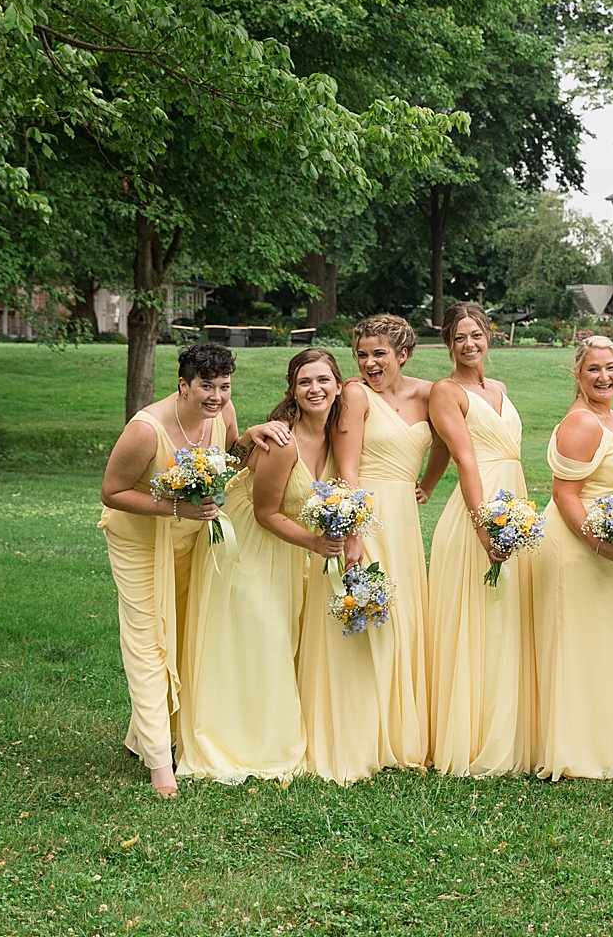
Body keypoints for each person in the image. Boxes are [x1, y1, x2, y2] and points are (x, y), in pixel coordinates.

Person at [97, 341, 285, 797]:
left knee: (179, 633)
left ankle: (140, 736)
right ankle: (161, 763)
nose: (217, 397)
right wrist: (175, 506)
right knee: (147, 640)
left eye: (224, 386)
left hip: (189, 537)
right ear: (183, 385)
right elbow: (112, 491)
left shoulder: (223, 412)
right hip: (140, 538)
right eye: (206, 387)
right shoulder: (146, 430)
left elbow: (228, 465)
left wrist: (249, 439)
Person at [179, 348, 352, 785]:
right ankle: (234, 742)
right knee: (256, 636)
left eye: (323, 381)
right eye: (305, 382)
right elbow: (265, 513)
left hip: (286, 549)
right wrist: (317, 542)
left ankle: (264, 731)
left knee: (278, 638)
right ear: (293, 390)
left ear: (338, 385)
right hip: (248, 546)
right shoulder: (282, 441)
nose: (315, 389)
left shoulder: (336, 436)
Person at [531, 336, 613, 780]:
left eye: (610, 368)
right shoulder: (583, 423)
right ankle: (581, 750)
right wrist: (600, 545)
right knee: (584, 647)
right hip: (582, 548)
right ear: (577, 374)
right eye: (593, 370)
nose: (603, 377)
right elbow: (564, 494)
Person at [425, 302, 537, 776]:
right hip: (480, 506)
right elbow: (462, 458)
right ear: (448, 344)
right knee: (477, 616)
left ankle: (508, 724)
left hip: (514, 497)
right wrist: (484, 525)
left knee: (509, 614)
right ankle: (470, 733)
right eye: (459, 337)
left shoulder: (500, 388)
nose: (469, 345)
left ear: (489, 337)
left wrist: (427, 483)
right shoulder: (445, 392)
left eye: (476, 335)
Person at [332, 313, 436, 771]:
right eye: (362, 354)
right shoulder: (355, 395)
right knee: (373, 616)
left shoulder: (428, 393)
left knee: (405, 615)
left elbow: (451, 441)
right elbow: (346, 468)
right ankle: (366, 733)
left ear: (403, 355)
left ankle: (401, 728)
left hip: (405, 519)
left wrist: (428, 484)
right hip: (370, 514)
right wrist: (353, 529)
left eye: (379, 354)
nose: (369, 363)